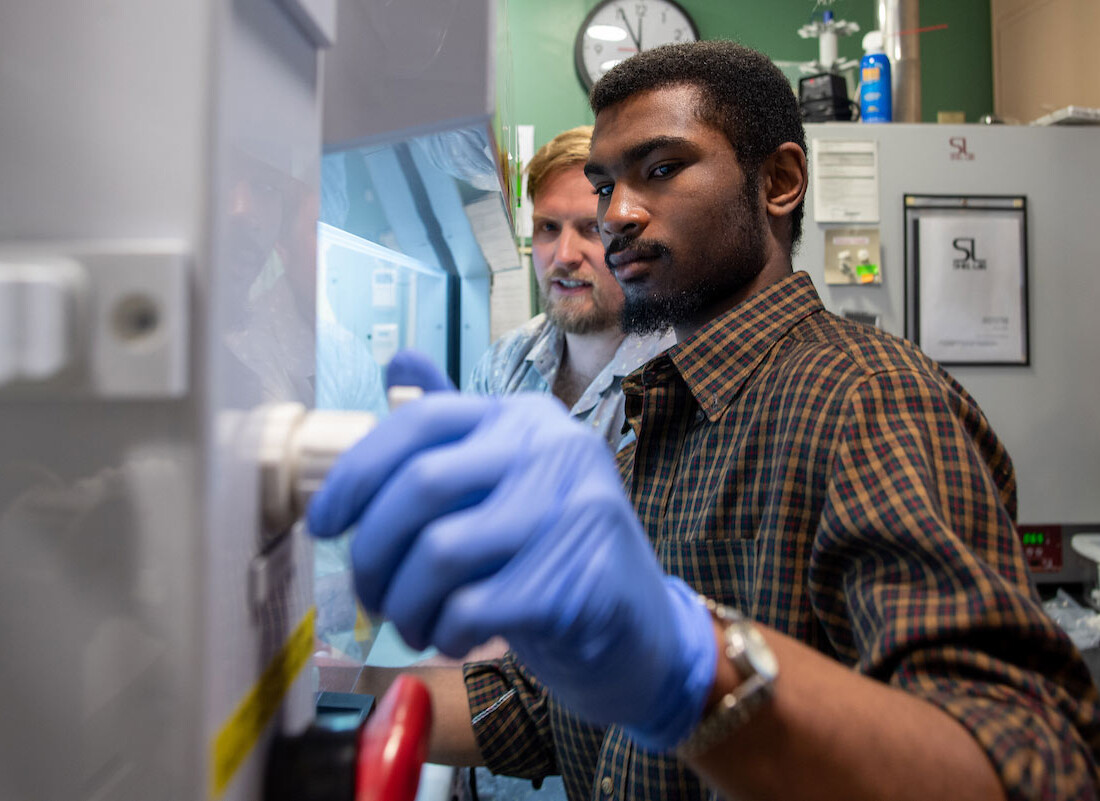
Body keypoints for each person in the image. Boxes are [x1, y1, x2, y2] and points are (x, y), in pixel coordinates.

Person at [309, 41, 1100, 801]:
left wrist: (693, 664)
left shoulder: (869, 399)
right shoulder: (662, 409)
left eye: (660, 169)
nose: (615, 212)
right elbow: (552, 707)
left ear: (779, 181)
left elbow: (1028, 768)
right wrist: (325, 684)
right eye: (603, 182)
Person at [469, 125, 672, 449]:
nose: (563, 256)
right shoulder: (504, 364)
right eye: (548, 227)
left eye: (592, 228)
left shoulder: (672, 376)